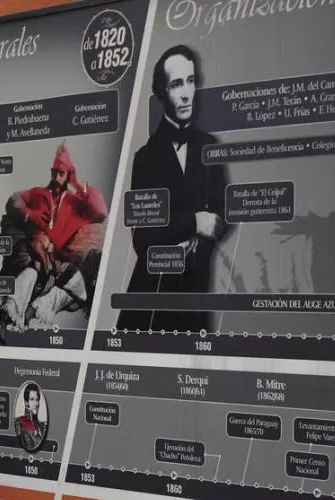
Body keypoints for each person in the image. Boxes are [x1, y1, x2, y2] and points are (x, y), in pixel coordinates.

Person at [117, 45, 231, 333]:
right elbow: (143, 240)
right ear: (161, 94)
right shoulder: (145, 158)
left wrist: (196, 241)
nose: (186, 93)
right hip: (151, 299)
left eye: (191, 81)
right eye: (176, 84)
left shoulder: (209, 146)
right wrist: (194, 222)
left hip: (194, 292)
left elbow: (222, 217)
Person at [0, 141, 107, 329]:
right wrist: (29, 214)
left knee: (78, 288)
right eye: (54, 172)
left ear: (68, 176)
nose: (56, 177)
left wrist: (77, 183)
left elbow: (100, 211)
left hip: (60, 263)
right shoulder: (37, 193)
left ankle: (33, 311)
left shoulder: (75, 204)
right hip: (35, 256)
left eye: (62, 173)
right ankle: (11, 310)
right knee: (35, 267)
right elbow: (13, 200)